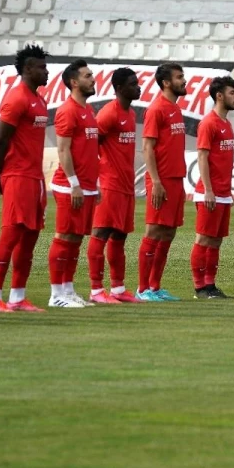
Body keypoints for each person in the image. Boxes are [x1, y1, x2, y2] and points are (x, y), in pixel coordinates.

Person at [0, 44, 49, 313]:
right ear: (27, 69)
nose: (46, 72)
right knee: (11, 235)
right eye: (42, 67)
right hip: (17, 176)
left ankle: (17, 297)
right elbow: (0, 142)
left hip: (35, 177)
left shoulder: (39, 99)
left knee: (30, 239)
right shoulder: (16, 99)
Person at [88, 68, 143, 303]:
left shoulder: (129, 113)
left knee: (120, 237)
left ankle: (118, 290)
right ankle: (96, 291)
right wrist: (96, 177)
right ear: (120, 88)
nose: (138, 87)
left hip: (126, 185)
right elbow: (91, 145)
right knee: (101, 233)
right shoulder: (108, 113)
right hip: (110, 183)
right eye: (133, 84)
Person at [47, 59, 99, 308]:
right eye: (88, 76)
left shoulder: (88, 110)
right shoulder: (67, 110)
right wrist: (75, 184)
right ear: (74, 82)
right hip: (70, 186)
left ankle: (68, 290)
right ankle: (56, 294)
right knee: (64, 237)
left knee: (76, 239)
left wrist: (93, 185)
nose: (93, 79)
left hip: (86, 186)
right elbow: (63, 150)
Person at [138, 62, 187, 302]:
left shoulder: (175, 109)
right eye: (179, 77)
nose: (183, 80)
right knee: (154, 231)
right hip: (161, 179)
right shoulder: (156, 109)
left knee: (168, 233)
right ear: (166, 82)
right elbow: (147, 147)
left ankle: (155, 287)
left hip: (176, 179)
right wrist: (156, 181)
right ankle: (142, 289)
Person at [191, 75, 234, 300]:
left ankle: (210, 284)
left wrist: (225, 192)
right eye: (232, 92)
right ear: (219, 96)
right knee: (203, 239)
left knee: (216, 240)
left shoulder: (227, 124)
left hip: (223, 193)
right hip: (209, 192)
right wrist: (208, 189)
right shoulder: (209, 123)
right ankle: (200, 287)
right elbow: (202, 156)